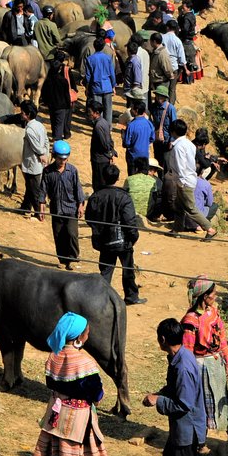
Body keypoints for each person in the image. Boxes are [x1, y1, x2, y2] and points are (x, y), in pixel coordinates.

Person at [32, 313, 112, 456]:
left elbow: (51, 384)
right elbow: (96, 393)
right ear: (78, 336)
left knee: (55, 454)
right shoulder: (84, 361)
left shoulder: (54, 356)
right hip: (79, 420)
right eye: (86, 330)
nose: (88, 333)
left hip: (56, 415)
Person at [145, 318, 204, 456]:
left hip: (187, 428)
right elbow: (175, 390)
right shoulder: (180, 357)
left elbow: (183, 404)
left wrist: (158, 401)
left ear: (162, 339)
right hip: (182, 427)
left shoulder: (183, 367)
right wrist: (160, 393)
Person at [181, 277, 228, 456]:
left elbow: (222, 337)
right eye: (213, 293)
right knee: (202, 404)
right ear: (204, 296)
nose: (215, 295)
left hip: (216, 363)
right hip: (200, 366)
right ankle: (200, 443)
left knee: (222, 397)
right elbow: (187, 350)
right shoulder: (191, 321)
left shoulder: (214, 312)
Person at [85, 163, 142, 304]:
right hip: (124, 241)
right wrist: (133, 236)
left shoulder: (95, 196)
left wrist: (99, 230)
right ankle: (131, 296)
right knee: (128, 270)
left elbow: (89, 218)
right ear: (117, 178)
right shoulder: (123, 196)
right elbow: (130, 221)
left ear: (103, 178)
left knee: (105, 271)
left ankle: (101, 298)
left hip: (104, 240)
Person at [39, 140, 85, 270]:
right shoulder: (48, 171)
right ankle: (63, 259)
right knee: (59, 235)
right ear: (54, 156)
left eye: (65, 158)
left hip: (71, 208)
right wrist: (41, 205)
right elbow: (43, 189)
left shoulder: (72, 171)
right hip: (56, 208)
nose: (62, 161)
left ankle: (73, 258)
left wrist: (80, 205)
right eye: (60, 158)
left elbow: (78, 189)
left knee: (71, 233)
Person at [167, 120, 216, 241]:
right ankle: (176, 229)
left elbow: (180, 167)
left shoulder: (178, 147)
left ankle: (210, 229)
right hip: (190, 178)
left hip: (184, 181)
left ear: (173, 132)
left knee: (191, 208)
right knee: (179, 206)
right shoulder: (189, 144)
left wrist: (181, 183)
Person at [18, 100, 48, 217]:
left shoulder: (29, 130)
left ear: (28, 114)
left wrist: (42, 154)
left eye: (23, 112)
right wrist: (45, 153)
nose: (21, 114)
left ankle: (37, 213)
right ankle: (25, 207)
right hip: (39, 162)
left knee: (34, 188)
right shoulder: (40, 125)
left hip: (33, 163)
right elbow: (45, 141)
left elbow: (36, 146)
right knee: (29, 186)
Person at [41, 50, 76, 143]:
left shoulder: (48, 80)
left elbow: (44, 93)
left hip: (52, 105)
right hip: (62, 105)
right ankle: (58, 139)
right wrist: (69, 103)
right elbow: (66, 94)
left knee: (53, 121)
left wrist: (45, 102)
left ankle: (54, 135)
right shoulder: (63, 80)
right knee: (60, 123)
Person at [83, 34, 117, 123]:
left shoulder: (90, 59)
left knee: (97, 109)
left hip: (95, 87)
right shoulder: (107, 58)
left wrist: (87, 88)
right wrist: (113, 86)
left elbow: (88, 76)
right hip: (107, 87)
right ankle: (108, 127)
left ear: (94, 47)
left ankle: (99, 125)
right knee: (108, 109)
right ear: (103, 47)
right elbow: (112, 73)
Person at [87, 99, 115, 187]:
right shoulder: (104, 122)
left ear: (96, 113)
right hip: (102, 159)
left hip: (100, 160)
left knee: (98, 183)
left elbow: (105, 144)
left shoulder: (98, 126)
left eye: (90, 112)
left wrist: (109, 153)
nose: (89, 113)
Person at [122, 98, 154, 170]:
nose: (130, 110)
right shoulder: (149, 123)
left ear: (136, 111)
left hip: (133, 156)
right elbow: (152, 138)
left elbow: (126, 143)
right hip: (145, 155)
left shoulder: (131, 125)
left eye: (132, 109)